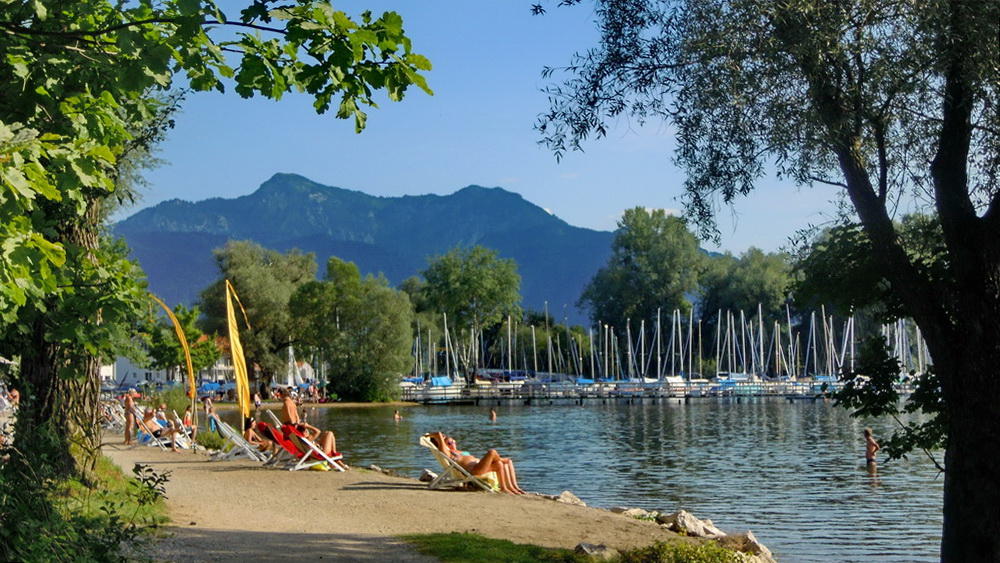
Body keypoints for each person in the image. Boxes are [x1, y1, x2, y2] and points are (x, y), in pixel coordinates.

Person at [425, 431, 525, 494]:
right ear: (445, 445)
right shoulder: (450, 454)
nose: (453, 443)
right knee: (492, 452)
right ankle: (501, 461)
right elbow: (438, 436)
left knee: (503, 463)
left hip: (478, 466)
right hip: (473, 470)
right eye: (450, 443)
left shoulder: (460, 452)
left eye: (454, 441)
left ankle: (511, 487)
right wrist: (437, 437)